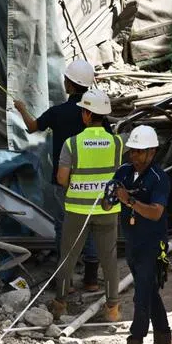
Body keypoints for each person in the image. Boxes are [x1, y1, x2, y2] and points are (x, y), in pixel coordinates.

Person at [14, 58, 101, 293]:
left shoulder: (58, 112)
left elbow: (33, 127)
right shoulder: (95, 114)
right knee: (89, 227)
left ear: (70, 84)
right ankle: (91, 280)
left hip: (64, 181)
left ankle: (66, 282)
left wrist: (21, 108)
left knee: (64, 230)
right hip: (91, 181)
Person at [104, 125, 171, 344]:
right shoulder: (123, 172)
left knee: (141, 296)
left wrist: (129, 200)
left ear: (152, 152)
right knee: (149, 292)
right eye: (132, 151)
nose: (134, 156)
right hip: (132, 242)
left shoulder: (159, 178)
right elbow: (109, 204)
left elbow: (155, 213)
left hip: (152, 245)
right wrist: (110, 196)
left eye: (140, 152)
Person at [49, 89, 122, 322]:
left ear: (87, 115)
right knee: (109, 259)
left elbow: (62, 178)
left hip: (77, 210)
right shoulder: (117, 143)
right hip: (107, 210)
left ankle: (60, 304)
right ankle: (113, 309)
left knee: (68, 257)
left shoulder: (73, 144)